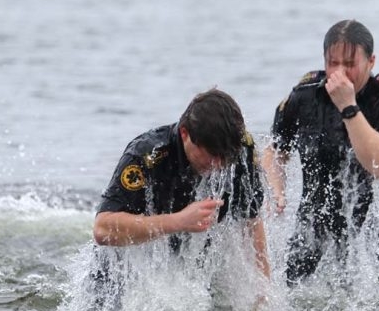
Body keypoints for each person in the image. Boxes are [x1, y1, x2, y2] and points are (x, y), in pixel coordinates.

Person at [262, 19, 379, 285]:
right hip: (313, 230)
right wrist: (275, 189)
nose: (340, 73)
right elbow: (275, 150)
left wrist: (348, 106)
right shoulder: (306, 94)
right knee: (286, 295)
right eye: (333, 63)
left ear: (371, 62)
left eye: (349, 64)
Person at [93, 88, 271, 283]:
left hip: (193, 269)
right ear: (185, 133)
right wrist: (179, 221)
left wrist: (263, 292)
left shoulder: (240, 150)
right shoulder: (147, 155)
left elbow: (251, 221)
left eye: (225, 158)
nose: (219, 165)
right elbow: (102, 229)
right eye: (211, 155)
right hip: (125, 271)